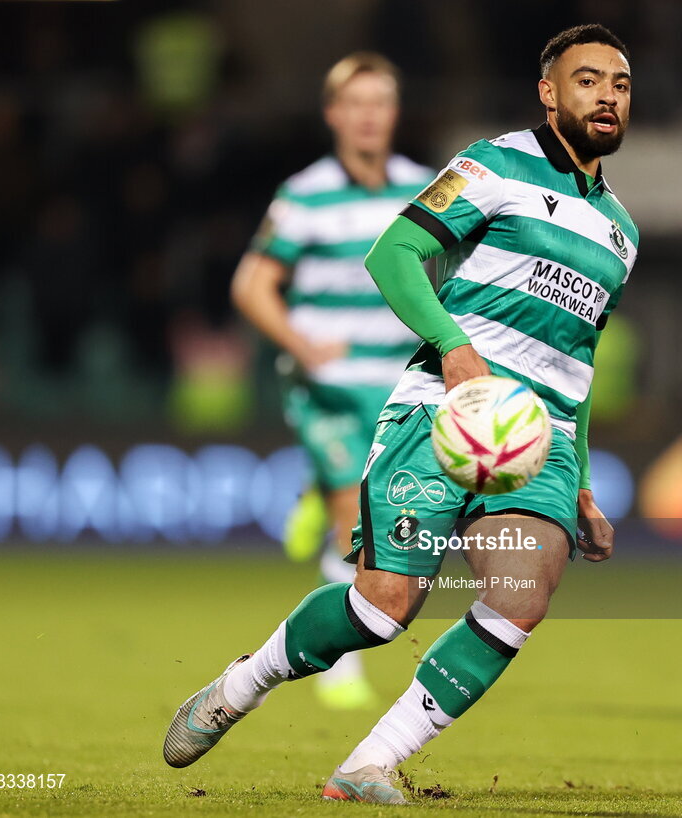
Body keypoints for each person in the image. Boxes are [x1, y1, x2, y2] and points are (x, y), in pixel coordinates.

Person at [164, 24, 638, 804]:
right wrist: (452, 344)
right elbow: (392, 254)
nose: (607, 97)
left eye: (619, 85)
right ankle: (244, 683)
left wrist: (581, 482)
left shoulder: (622, 232)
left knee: (523, 593)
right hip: (441, 415)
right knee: (383, 608)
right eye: (588, 81)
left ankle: (372, 761)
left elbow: (576, 364)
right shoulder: (489, 164)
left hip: (536, 440)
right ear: (550, 93)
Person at [228, 52, 432, 709]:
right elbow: (252, 284)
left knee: (386, 524)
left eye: (381, 102)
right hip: (331, 385)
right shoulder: (304, 194)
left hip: (400, 386)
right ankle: (339, 665)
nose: (369, 115)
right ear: (334, 115)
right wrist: (300, 344)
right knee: (358, 519)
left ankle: (319, 501)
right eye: (357, 103)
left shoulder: (427, 189)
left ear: (395, 113)